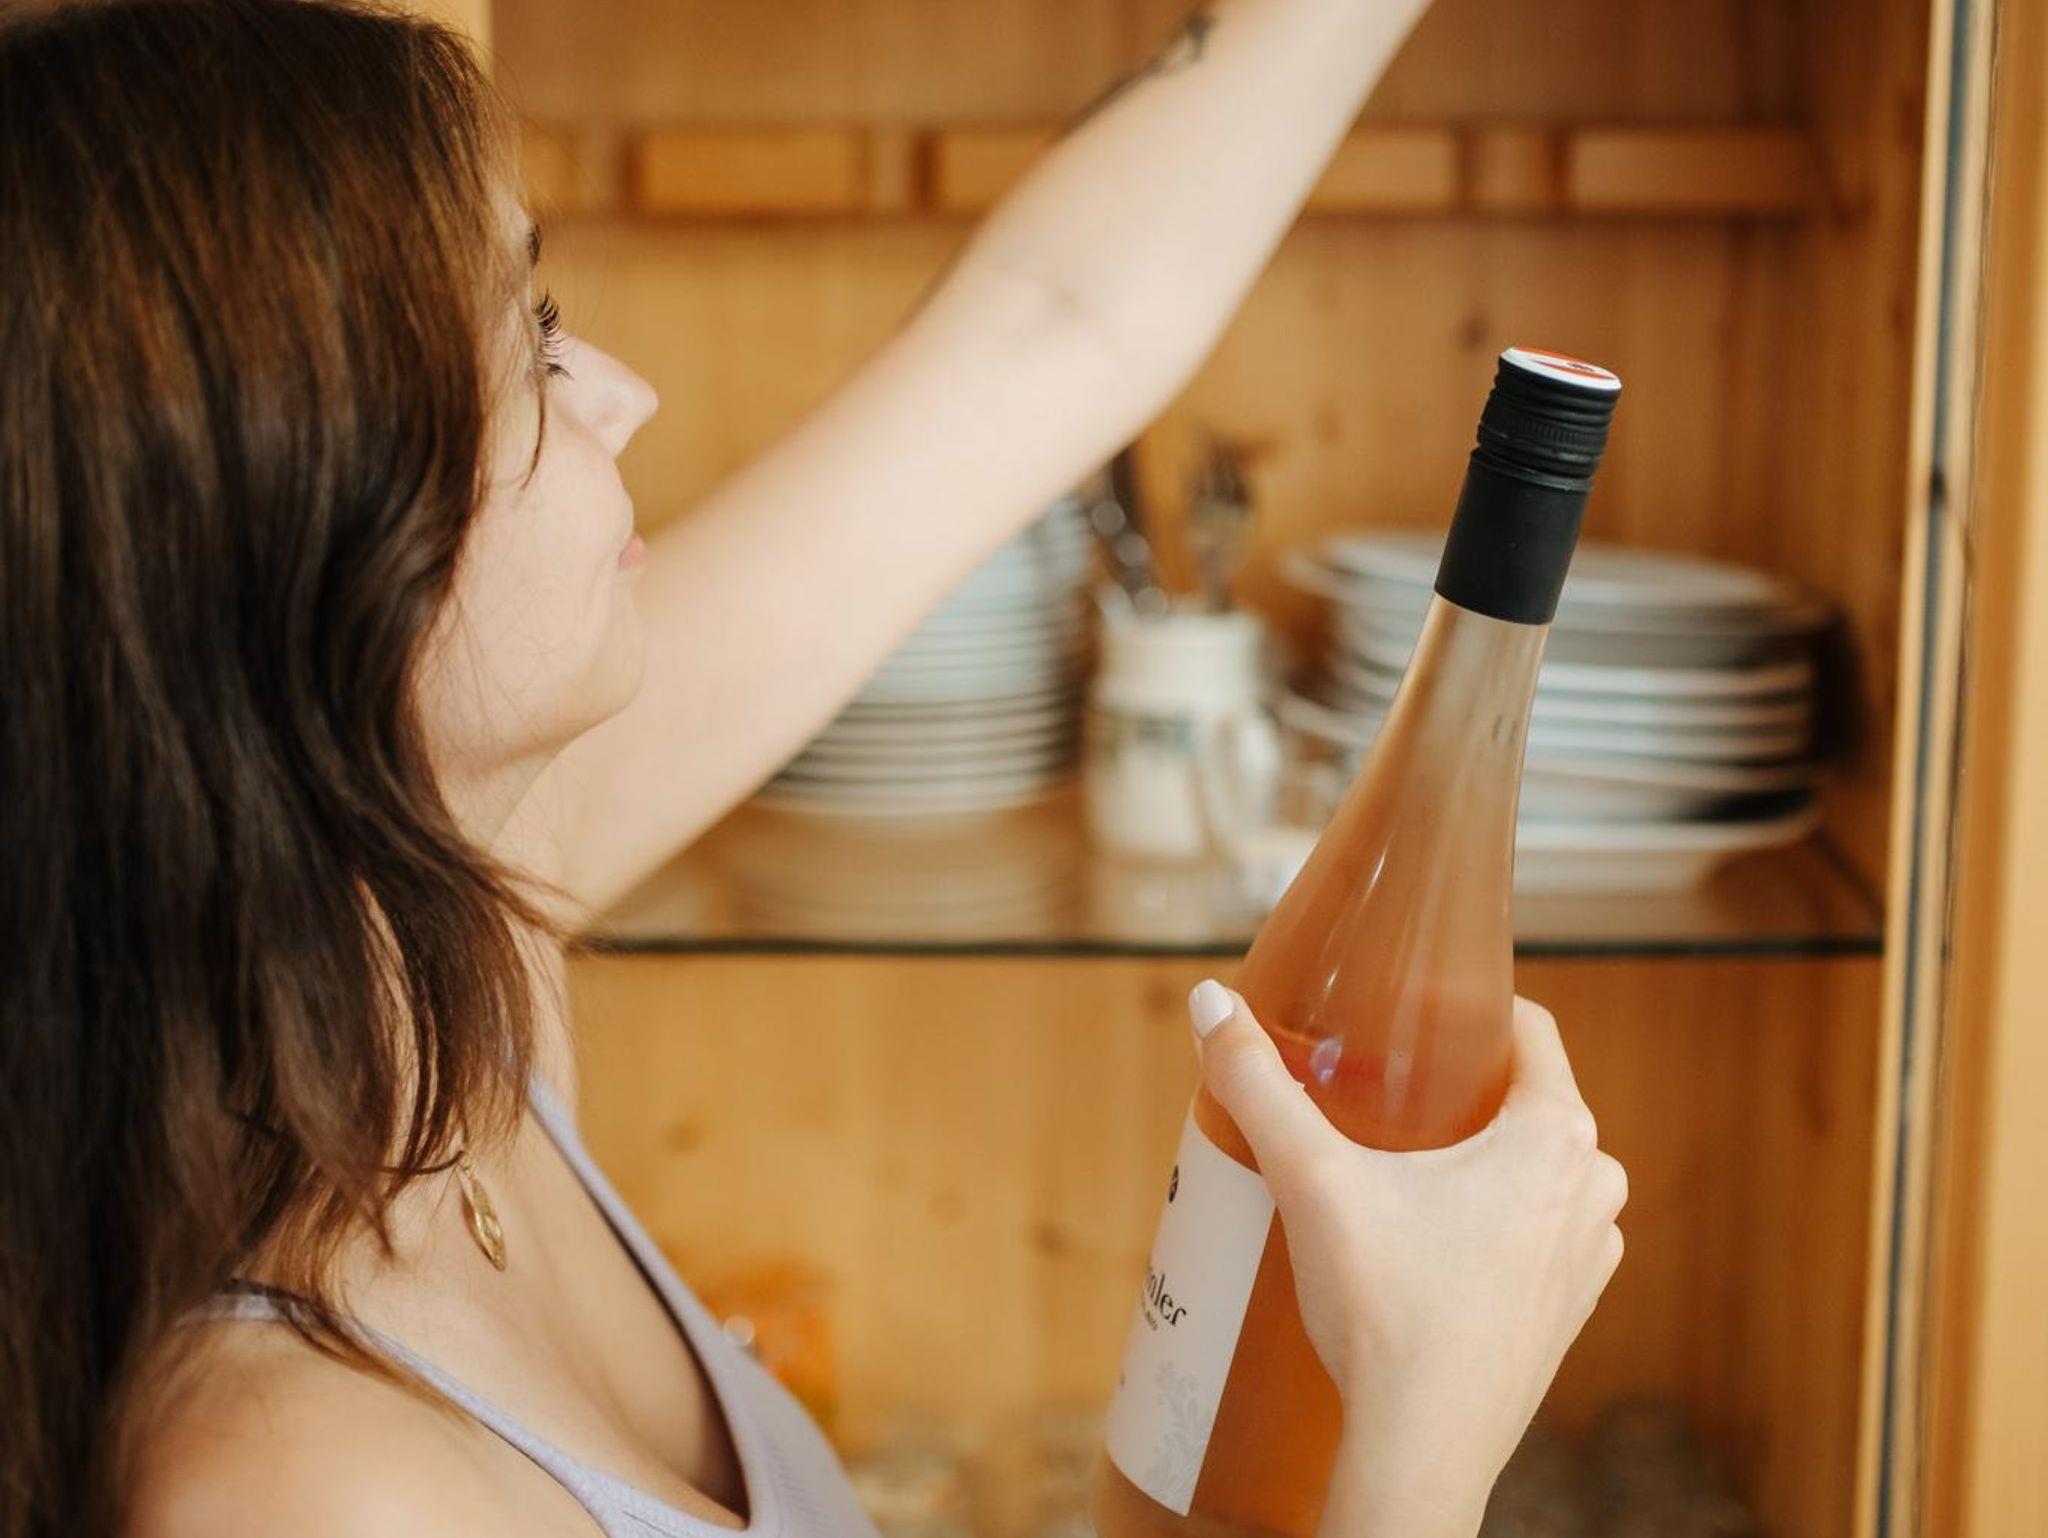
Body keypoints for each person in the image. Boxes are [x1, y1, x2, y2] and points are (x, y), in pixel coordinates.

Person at [0, 1, 1627, 1536]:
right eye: (532, 345)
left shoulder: (434, 967)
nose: (623, 395)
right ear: (299, 548)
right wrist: (1425, 1420)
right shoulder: (300, 1494)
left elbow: (1052, 327)